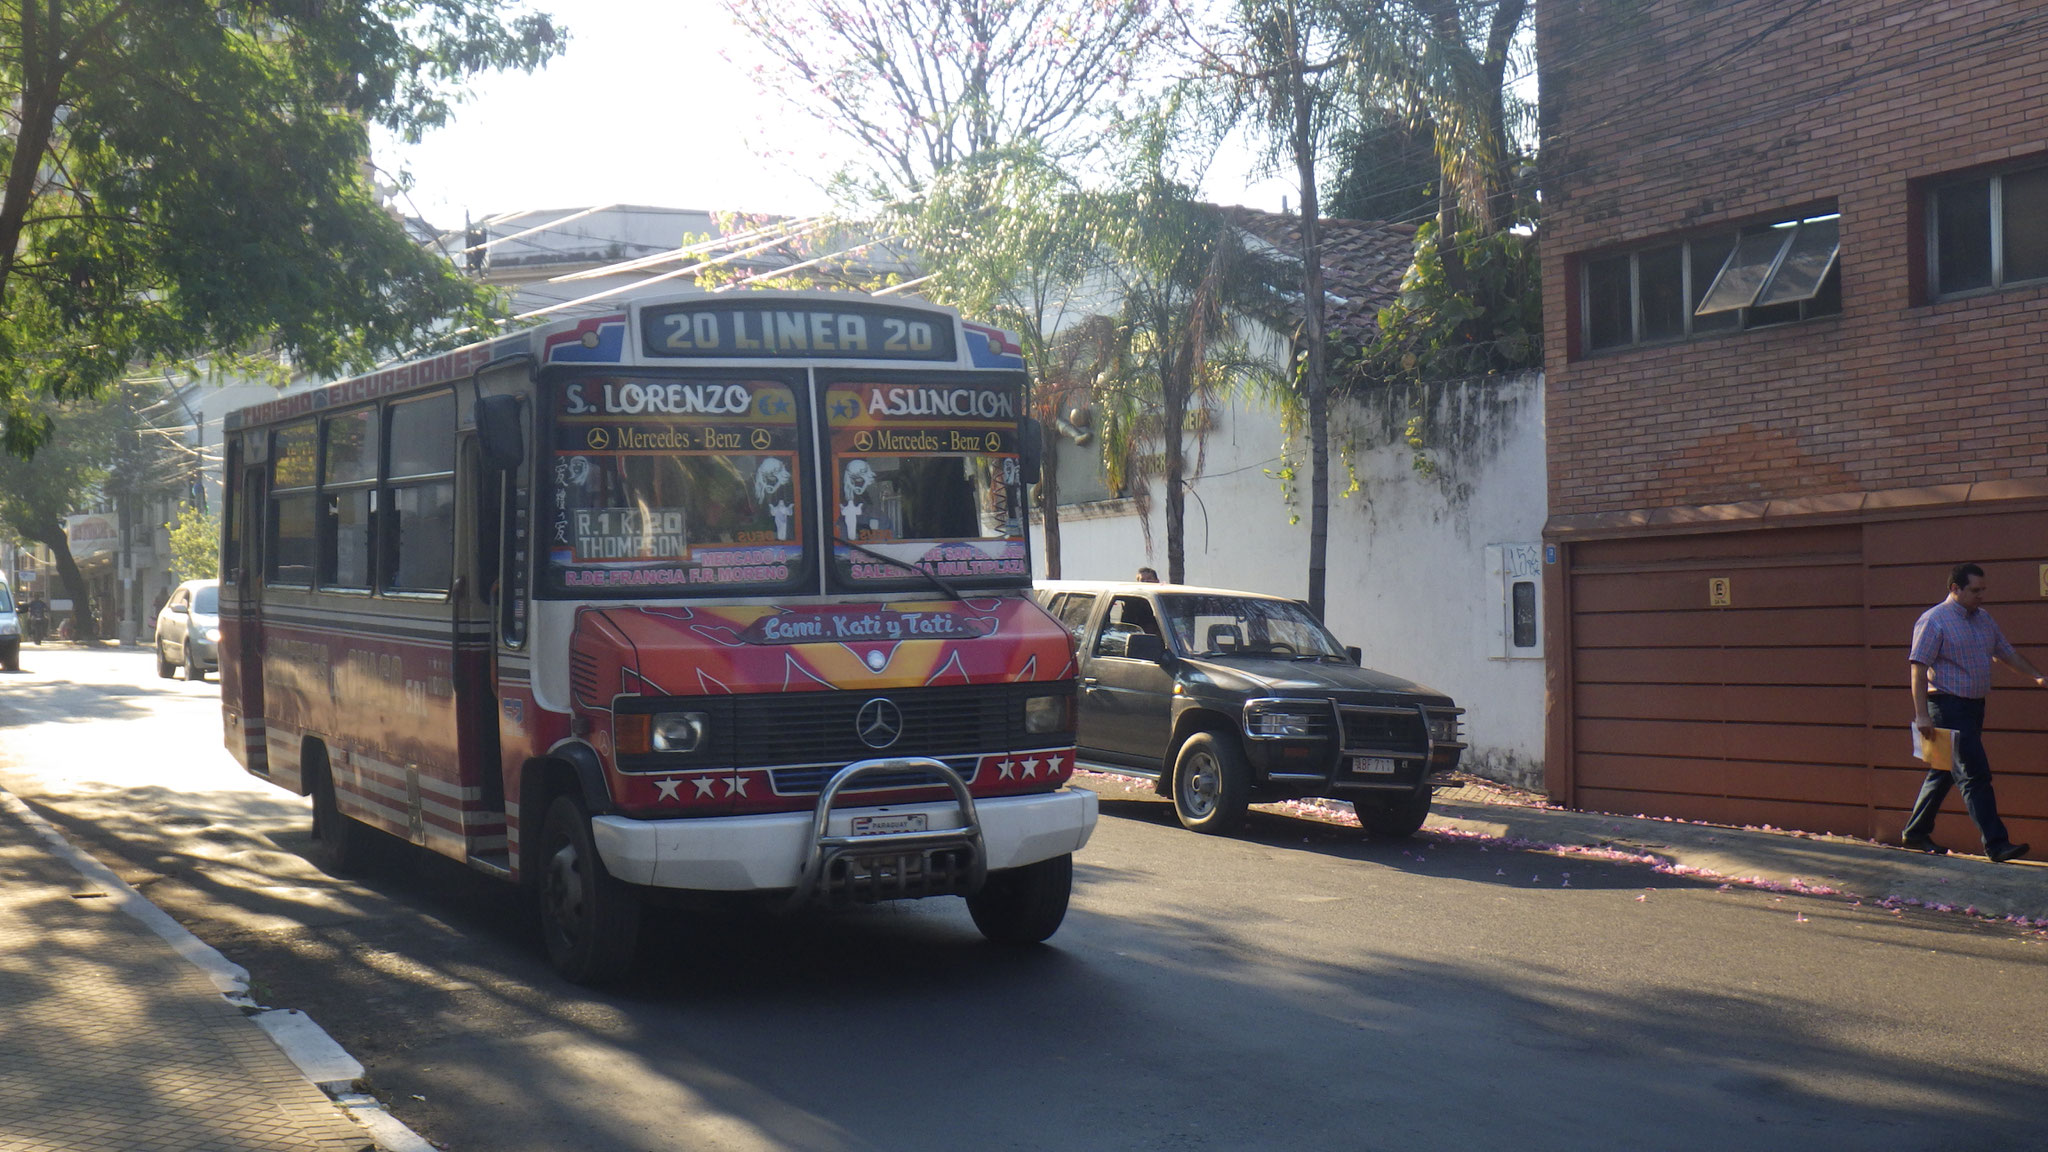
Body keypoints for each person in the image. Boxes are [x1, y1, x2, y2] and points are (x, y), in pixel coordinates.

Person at [1903, 563, 2040, 862]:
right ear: (1955, 588)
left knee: (1943, 772)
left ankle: (1915, 832)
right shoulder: (1933, 621)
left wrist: (2036, 676)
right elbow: (1918, 669)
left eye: (1983, 590)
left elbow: (2006, 652)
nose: (1981, 596)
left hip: (1974, 706)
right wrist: (1921, 715)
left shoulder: (1983, 619)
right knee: (1974, 774)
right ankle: (1996, 843)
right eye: (1975, 590)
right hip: (1947, 705)